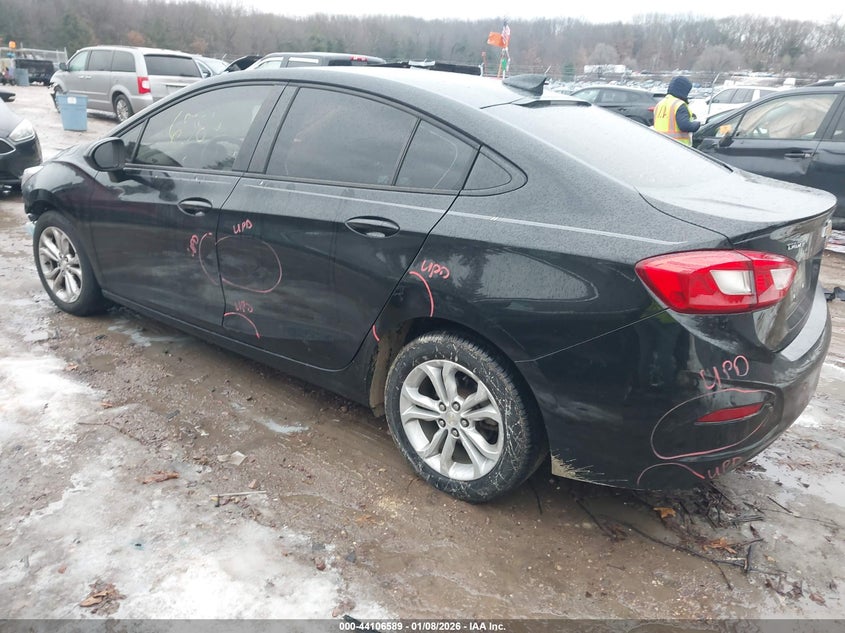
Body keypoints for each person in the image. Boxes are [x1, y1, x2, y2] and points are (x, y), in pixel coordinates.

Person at [653, 76, 700, 145]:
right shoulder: (679, 105)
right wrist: (698, 124)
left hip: (660, 144)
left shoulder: (660, 104)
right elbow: (685, 126)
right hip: (677, 146)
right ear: (683, 90)